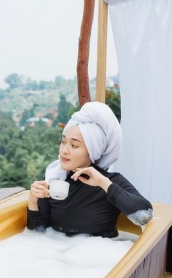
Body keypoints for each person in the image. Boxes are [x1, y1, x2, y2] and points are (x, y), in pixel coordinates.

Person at [27, 101, 152, 237]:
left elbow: (144, 215)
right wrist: (33, 202)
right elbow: (38, 234)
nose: (64, 150)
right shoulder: (55, 179)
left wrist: (103, 183)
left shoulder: (110, 181)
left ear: (92, 151)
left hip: (102, 254)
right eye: (63, 142)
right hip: (59, 253)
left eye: (74, 145)